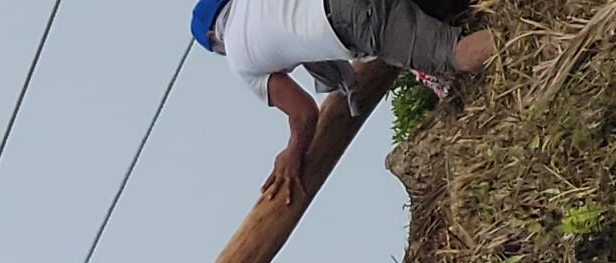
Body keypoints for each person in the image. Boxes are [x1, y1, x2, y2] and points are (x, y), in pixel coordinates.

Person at [191, 0, 496, 203]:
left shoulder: (240, 58)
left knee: (455, 54)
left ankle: (527, 37)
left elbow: (303, 113)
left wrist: (292, 153)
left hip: (348, 18)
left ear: (214, 38)